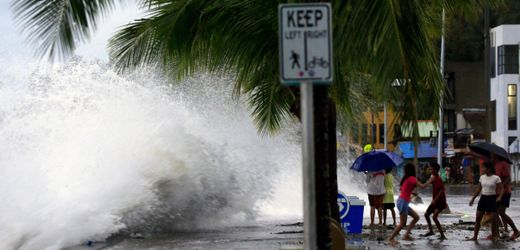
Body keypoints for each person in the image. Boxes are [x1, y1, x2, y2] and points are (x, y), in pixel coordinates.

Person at [387, 163, 429, 244]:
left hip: (402, 202)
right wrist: (430, 180)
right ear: (413, 170)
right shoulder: (412, 178)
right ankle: (391, 238)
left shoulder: (405, 179)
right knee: (402, 223)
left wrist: (411, 194)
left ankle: (406, 235)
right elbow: (422, 186)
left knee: (416, 217)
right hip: (403, 202)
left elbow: (404, 190)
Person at [467, 161, 503, 241]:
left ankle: (494, 235)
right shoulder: (482, 177)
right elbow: (478, 189)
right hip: (483, 198)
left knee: (493, 218)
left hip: (492, 199)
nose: (482, 169)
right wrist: (473, 199)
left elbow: (502, 189)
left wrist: (500, 197)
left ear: (489, 169)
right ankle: (475, 236)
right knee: (478, 217)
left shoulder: (496, 178)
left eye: (484, 167)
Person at [491, 153, 520, 240]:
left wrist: (501, 186)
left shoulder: (503, 163)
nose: (490, 156)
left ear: (496, 155)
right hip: (495, 192)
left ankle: (515, 231)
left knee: (501, 212)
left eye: (491, 155)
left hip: (505, 192)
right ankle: (497, 233)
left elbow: (508, 178)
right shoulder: (493, 164)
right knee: (495, 213)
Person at [421, 163, 447, 240]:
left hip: (440, 201)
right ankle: (431, 231)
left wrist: (435, 200)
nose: (430, 170)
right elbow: (426, 184)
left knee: (434, 217)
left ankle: (442, 235)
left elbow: (441, 190)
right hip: (435, 201)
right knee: (426, 214)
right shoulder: (434, 177)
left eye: (432, 169)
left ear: (436, 170)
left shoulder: (438, 179)